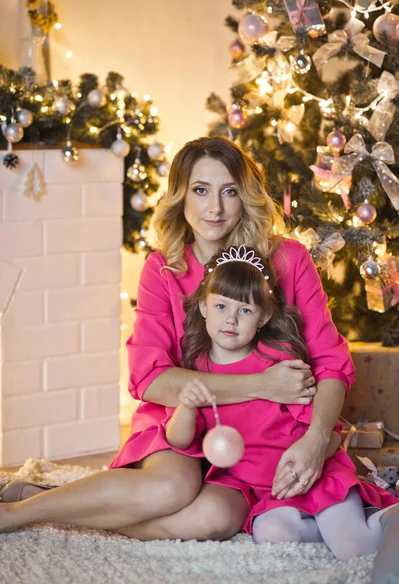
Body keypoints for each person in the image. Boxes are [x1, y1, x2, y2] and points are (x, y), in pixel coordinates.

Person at [0, 137, 355, 540]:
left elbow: (332, 364)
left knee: (214, 520)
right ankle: (16, 514)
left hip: (261, 433)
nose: (214, 208)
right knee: (171, 488)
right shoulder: (162, 269)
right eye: (200, 191)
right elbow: (150, 380)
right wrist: (262, 385)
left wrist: (316, 438)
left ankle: (66, 501)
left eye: (229, 192)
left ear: (246, 197)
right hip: (179, 420)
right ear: (181, 196)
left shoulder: (288, 259)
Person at [165, 245, 397, 560]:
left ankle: (384, 517)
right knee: (272, 535)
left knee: (355, 547)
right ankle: (344, 526)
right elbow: (179, 440)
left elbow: (327, 435)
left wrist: (309, 464)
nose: (231, 319)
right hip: (271, 494)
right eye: (221, 306)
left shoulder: (279, 365)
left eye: (245, 310)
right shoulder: (199, 369)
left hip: (313, 476)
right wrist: (186, 406)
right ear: (203, 307)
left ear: (264, 316)